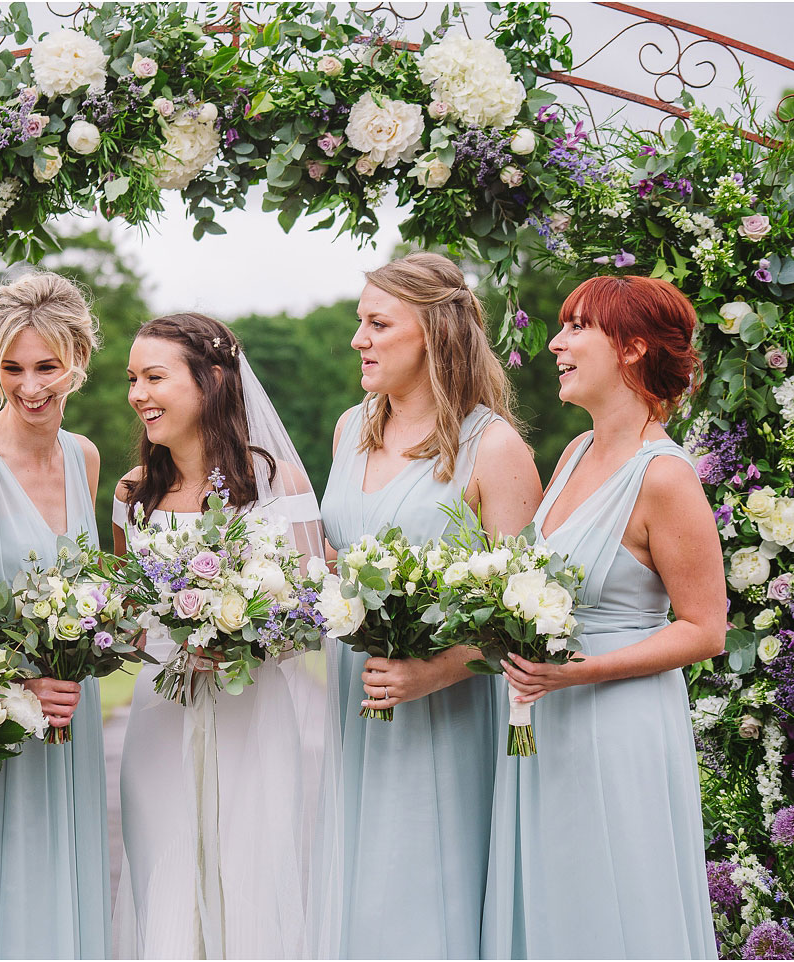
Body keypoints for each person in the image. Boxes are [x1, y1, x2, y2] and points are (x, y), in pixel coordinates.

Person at [482, 274, 723, 959]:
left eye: (577, 327)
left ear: (632, 348)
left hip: (617, 722)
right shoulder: (575, 453)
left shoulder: (665, 477)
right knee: (559, 906)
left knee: (616, 901)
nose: (556, 342)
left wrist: (582, 673)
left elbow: (704, 629)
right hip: (543, 717)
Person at [315, 251, 542, 958]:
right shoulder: (350, 429)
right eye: (361, 322)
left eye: (379, 324)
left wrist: (438, 670)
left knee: (419, 894)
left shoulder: (495, 448)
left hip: (444, 710)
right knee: (356, 889)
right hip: (353, 698)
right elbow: (333, 559)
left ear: (436, 334)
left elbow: (530, 612)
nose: (360, 339)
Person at [112, 313, 326, 960]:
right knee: (167, 866)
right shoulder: (133, 494)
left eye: (154, 377)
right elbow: (128, 618)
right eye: (131, 380)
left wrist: (238, 636)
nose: (138, 395)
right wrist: (125, 631)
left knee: (253, 871)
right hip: (161, 712)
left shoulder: (276, 483)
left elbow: (313, 611)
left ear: (209, 382)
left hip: (251, 711)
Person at [0, 271, 111, 960]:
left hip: (71, 720)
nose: (31, 387)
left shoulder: (84, 457)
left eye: (48, 366)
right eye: (13, 368)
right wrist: (12, 689)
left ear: (78, 357)